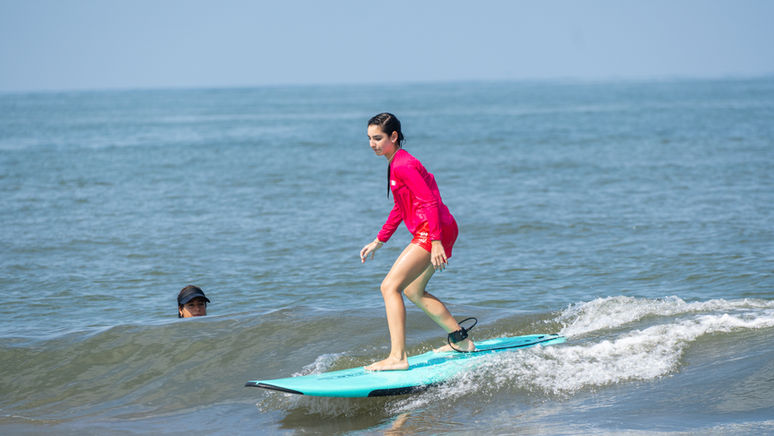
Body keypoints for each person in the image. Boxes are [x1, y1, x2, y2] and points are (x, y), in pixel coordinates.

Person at [360, 112, 474, 371]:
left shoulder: (403, 164)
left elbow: (429, 201)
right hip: (438, 228)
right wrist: (380, 240)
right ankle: (462, 341)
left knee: (389, 287)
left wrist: (435, 242)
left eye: (378, 138)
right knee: (413, 290)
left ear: (394, 136)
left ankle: (398, 357)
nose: (372, 144)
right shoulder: (395, 162)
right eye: (369, 138)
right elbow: (401, 208)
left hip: (432, 230)